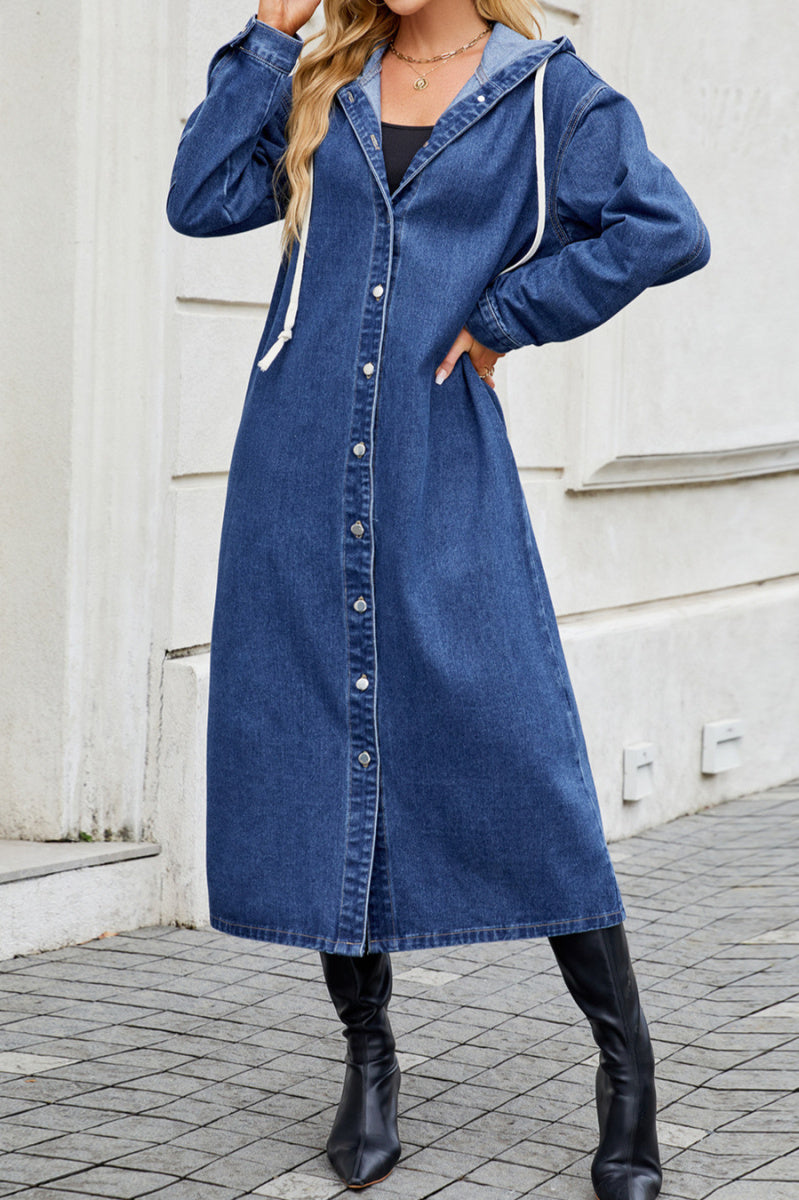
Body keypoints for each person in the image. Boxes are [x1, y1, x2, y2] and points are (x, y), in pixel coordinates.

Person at [166, 0, 710, 1193]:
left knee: (521, 753)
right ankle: (367, 1054)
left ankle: (624, 1069)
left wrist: (507, 315)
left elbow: (665, 228)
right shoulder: (327, 81)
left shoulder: (546, 92)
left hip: (439, 459)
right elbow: (201, 197)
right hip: (299, 467)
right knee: (327, 756)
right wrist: (269, 33)